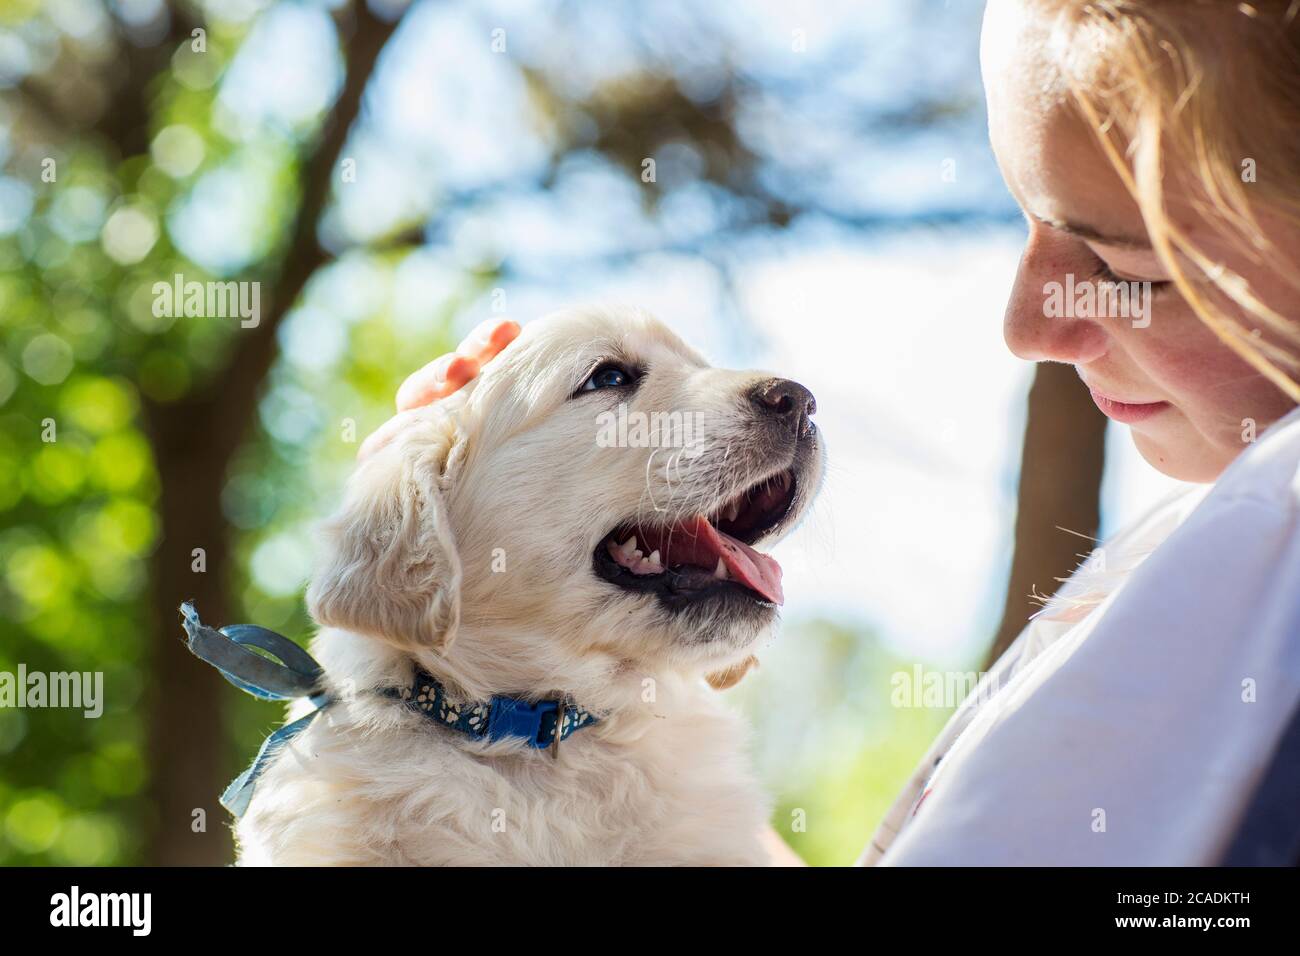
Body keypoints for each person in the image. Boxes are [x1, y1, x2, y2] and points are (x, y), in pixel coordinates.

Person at [359, 0, 1300, 865]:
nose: (1022, 327)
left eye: (1120, 261)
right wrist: (424, 518)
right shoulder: (1197, 548)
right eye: (1025, 219)